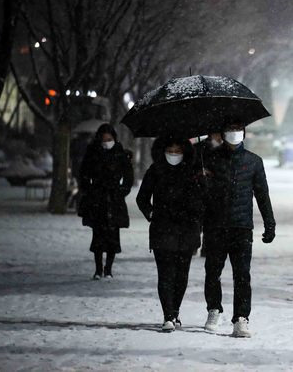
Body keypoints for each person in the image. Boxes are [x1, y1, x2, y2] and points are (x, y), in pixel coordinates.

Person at [200, 123, 276, 338]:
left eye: (238, 129)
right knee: (212, 271)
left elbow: (262, 194)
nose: (234, 133)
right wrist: (203, 182)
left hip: (241, 226)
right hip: (215, 225)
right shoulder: (210, 159)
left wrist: (269, 223)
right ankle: (213, 309)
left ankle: (241, 318)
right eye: (230, 129)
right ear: (222, 134)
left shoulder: (253, 161)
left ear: (243, 132)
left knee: (242, 275)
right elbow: (202, 197)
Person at [137, 137, 203, 332]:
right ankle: (168, 315)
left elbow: (202, 201)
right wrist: (151, 213)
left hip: (187, 229)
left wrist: (202, 184)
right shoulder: (156, 170)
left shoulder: (193, 172)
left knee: (181, 275)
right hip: (163, 228)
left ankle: (175, 311)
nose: (174, 154)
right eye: (170, 149)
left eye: (178, 149)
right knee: (165, 274)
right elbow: (142, 197)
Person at [78, 124, 134, 280]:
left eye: (109, 139)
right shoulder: (93, 152)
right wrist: (89, 190)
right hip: (98, 199)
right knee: (98, 235)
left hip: (114, 199)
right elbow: (83, 173)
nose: (106, 142)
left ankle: (108, 269)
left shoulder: (120, 153)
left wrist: (121, 191)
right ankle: (98, 269)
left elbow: (128, 176)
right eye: (104, 139)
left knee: (113, 235)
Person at [194, 132, 223, 257]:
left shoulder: (226, 149)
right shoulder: (198, 148)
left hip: (217, 191)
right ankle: (194, 245)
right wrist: (200, 171)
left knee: (212, 222)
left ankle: (207, 247)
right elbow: (190, 166)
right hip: (200, 189)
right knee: (198, 220)